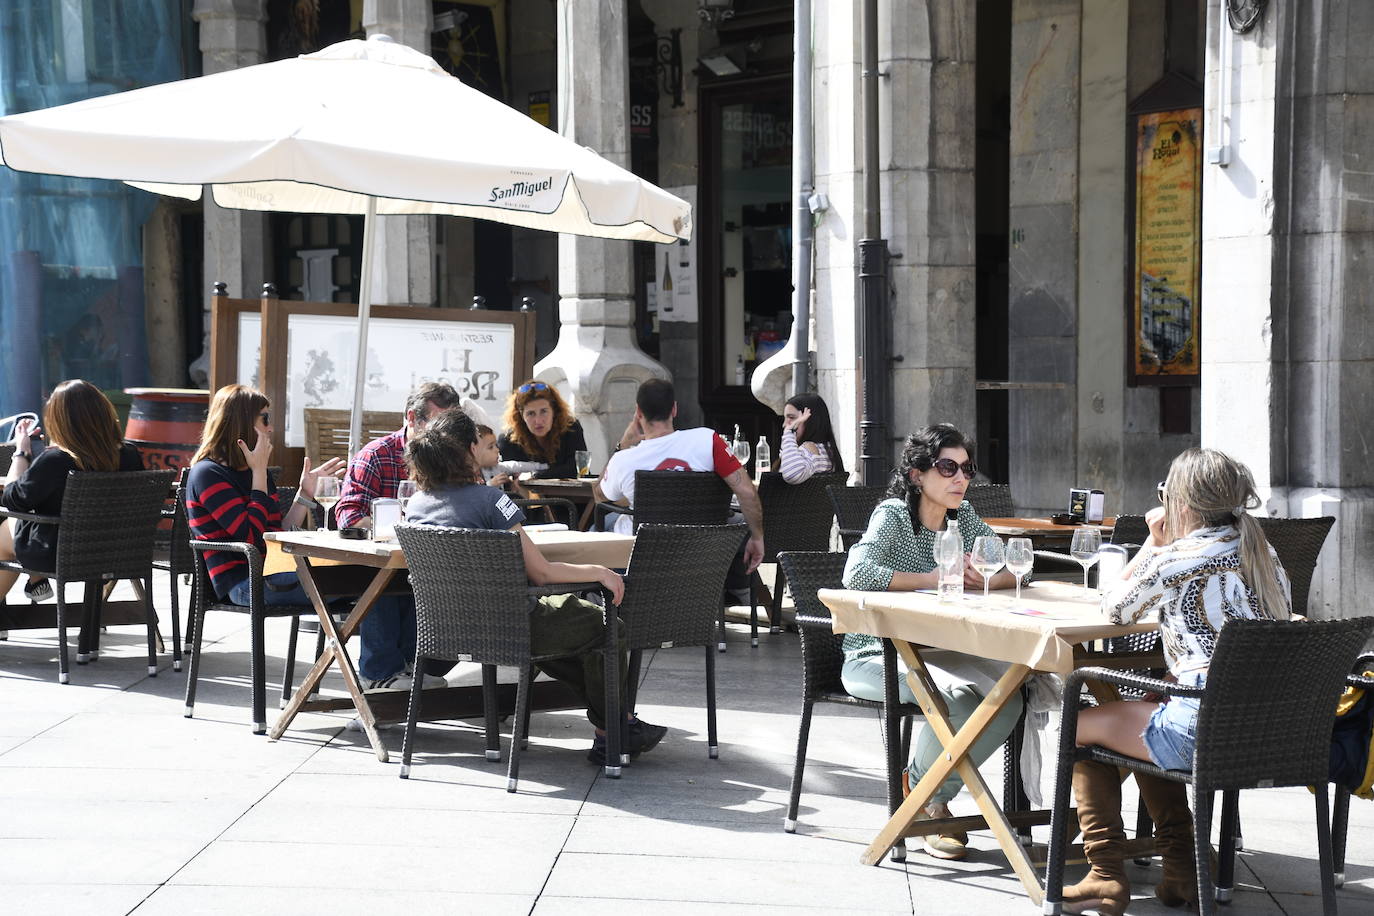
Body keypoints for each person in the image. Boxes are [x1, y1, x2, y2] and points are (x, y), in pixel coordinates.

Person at [1059, 448, 1291, 916]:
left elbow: (1115, 608)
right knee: (1150, 703)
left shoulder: (1180, 557)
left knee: (1078, 724)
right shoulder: (1262, 552)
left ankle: (1105, 874)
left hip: (1204, 729)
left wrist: (1154, 542)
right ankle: (1182, 868)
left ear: (1180, 503)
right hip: (1272, 729)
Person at [402, 408, 667, 764]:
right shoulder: (491, 500)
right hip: (515, 625)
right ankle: (612, 732)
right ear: (469, 450)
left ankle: (620, 724)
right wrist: (601, 572)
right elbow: (541, 574)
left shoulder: (416, 505)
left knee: (576, 639)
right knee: (607, 627)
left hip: (449, 631)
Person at [840, 423, 1020, 860]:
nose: (961, 478)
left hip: (942, 653)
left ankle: (923, 791)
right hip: (875, 655)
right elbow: (856, 574)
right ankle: (931, 803)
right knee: (956, 699)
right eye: (947, 467)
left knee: (1011, 698)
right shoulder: (893, 515)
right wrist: (936, 578)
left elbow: (1017, 568)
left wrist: (988, 581)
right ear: (919, 474)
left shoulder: (964, 517)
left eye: (966, 469)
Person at [335, 381, 468, 691]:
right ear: (412, 418)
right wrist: (396, 527)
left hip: (431, 564)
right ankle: (379, 675)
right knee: (384, 578)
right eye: (437, 425)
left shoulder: (453, 460)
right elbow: (349, 516)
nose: (444, 437)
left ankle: (417, 665)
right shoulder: (377, 455)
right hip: (377, 564)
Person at [183, 384, 343, 608]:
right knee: (354, 580)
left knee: (367, 577)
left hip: (276, 572)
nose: (271, 428)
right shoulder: (207, 474)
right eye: (265, 419)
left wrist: (304, 494)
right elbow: (251, 538)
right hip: (243, 583)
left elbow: (275, 535)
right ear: (241, 422)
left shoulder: (256, 472)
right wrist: (258, 472)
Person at [593, 378, 764, 574]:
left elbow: (599, 496)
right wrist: (757, 537)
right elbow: (747, 492)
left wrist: (622, 444)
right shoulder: (707, 440)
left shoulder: (624, 460)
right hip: (702, 555)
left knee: (598, 526)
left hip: (640, 559)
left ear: (638, 413)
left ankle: (600, 599)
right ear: (674, 409)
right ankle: (739, 593)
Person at [0, 380, 144, 601]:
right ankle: (36, 582)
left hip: (58, 554)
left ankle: (35, 582)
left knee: (4, 533)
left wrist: (21, 452)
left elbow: (12, 499)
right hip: (118, 552)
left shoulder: (55, 461)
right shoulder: (130, 455)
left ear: (59, 421)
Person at [498, 380, 587, 480]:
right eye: (531, 413)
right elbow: (511, 479)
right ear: (521, 415)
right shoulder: (508, 440)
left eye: (544, 411)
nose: (538, 421)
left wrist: (536, 475)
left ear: (554, 411)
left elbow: (580, 468)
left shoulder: (571, 427)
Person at [778, 392, 844, 483]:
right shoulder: (826, 449)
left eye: (792, 418)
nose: (785, 424)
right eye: (785, 418)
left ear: (811, 421)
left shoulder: (810, 448)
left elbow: (791, 475)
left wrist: (789, 433)